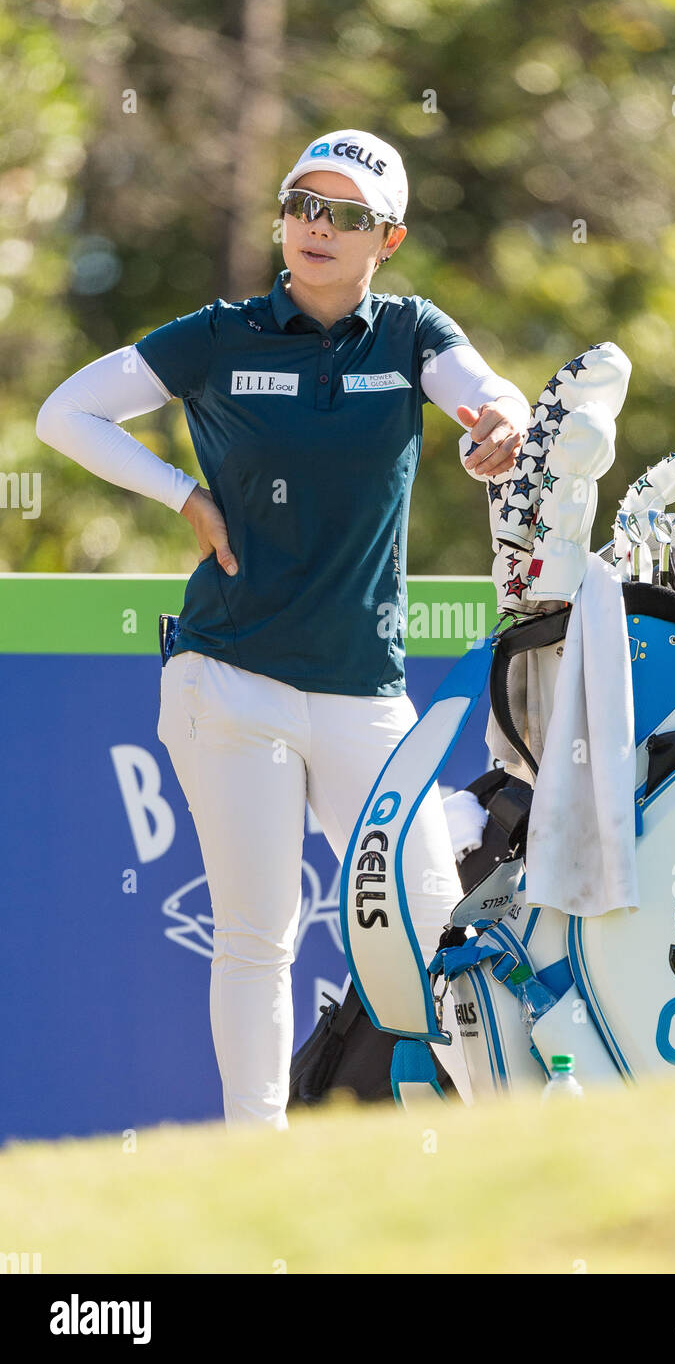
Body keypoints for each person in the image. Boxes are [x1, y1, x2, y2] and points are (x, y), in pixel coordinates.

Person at [36, 128, 531, 1130]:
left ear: (384, 239)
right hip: (231, 680)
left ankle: (494, 1143)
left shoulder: (408, 333)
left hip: (363, 692)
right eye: (305, 202)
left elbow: (484, 392)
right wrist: (181, 494)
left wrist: (502, 426)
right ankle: (257, 1166)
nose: (318, 226)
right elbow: (66, 414)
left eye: (347, 214)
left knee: (432, 925)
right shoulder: (218, 334)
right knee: (255, 937)